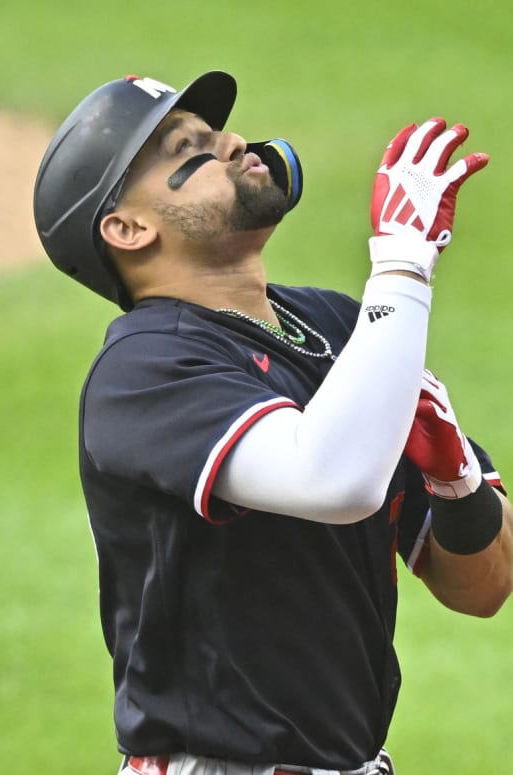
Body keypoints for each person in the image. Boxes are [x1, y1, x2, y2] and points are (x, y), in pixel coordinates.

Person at [33, 71, 513, 775]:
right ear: (129, 228)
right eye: (185, 149)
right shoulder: (144, 369)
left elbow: (484, 586)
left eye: (218, 130)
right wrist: (404, 264)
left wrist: (457, 480)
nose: (231, 142)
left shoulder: (339, 326)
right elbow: (333, 478)